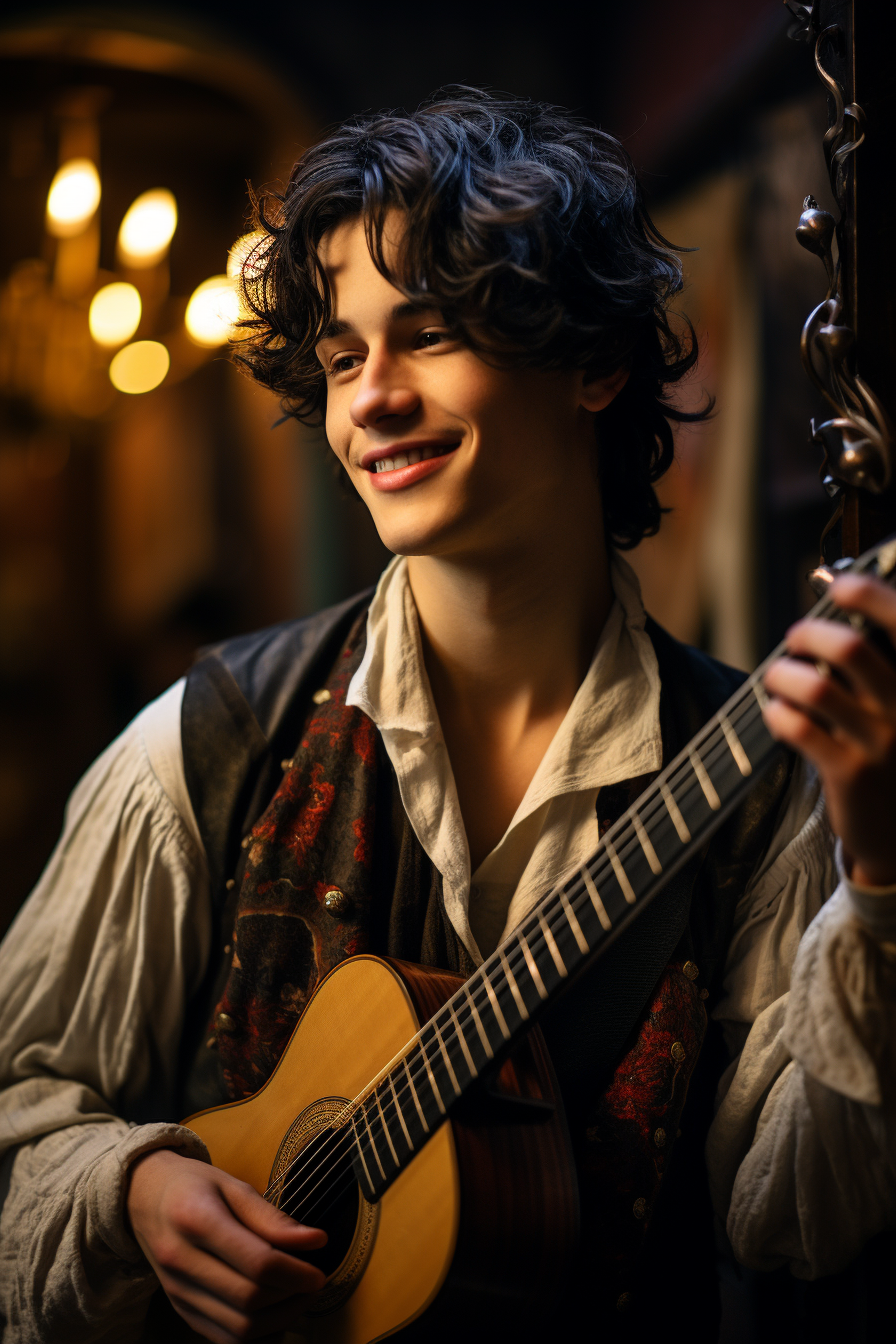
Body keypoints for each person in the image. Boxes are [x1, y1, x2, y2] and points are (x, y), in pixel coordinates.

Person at [1, 89, 895, 1344]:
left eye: (424, 335)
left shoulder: (753, 784)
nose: (366, 401)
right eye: (341, 357)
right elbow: (15, 1109)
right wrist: (126, 1186)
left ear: (592, 360)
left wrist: (882, 875)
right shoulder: (207, 745)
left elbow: (795, 1218)